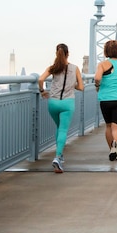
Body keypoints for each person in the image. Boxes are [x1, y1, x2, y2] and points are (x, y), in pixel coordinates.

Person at [38, 43, 84, 173]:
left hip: (53, 102)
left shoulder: (53, 68)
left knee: (59, 127)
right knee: (63, 129)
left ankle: (60, 155)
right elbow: (81, 87)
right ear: (68, 53)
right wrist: (72, 84)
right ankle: (57, 157)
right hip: (67, 103)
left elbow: (40, 79)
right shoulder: (74, 68)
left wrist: (42, 91)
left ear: (56, 53)